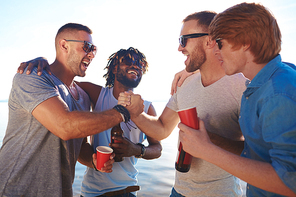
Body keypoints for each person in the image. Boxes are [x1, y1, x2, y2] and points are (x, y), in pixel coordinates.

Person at [0, 23, 143, 197]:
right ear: (64, 45)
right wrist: (123, 111)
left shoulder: (82, 97)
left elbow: (80, 143)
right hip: (17, 191)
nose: (91, 54)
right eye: (86, 47)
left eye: (94, 49)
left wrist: (93, 160)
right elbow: (65, 126)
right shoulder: (32, 77)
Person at [120, 11, 247, 196]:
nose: (180, 48)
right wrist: (136, 114)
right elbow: (162, 129)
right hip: (178, 191)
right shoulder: (185, 83)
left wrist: (211, 140)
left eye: (183, 40)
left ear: (210, 40)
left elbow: (258, 151)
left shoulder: (242, 85)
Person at [178, 3, 296, 197]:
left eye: (220, 44)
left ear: (244, 42)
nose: (217, 52)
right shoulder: (263, 84)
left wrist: (206, 150)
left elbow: (290, 181)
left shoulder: (278, 93)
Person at [76, 47, 162, 196]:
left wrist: (136, 150)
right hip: (92, 192)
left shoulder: (146, 108)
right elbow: (63, 83)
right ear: (114, 68)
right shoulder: (97, 95)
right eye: (129, 61)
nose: (136, 65)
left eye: (140, 64)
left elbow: (157, 149)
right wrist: (42, 65)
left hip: (126, 191)